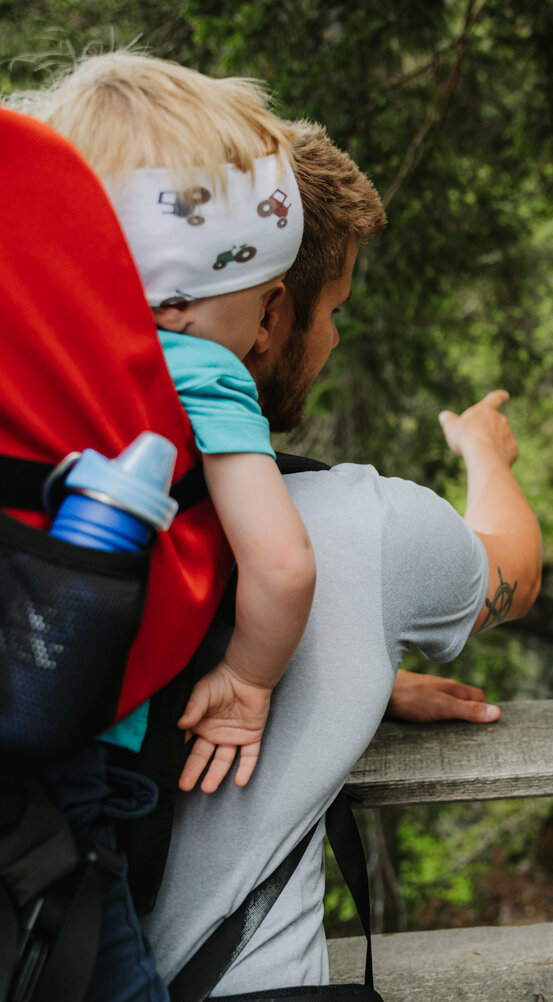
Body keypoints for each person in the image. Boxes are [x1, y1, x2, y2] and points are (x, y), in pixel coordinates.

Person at [141, 120, 542, 996]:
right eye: (333, 312)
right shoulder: (362, 521)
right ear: (270, 313)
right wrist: (483, 453)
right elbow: (517, 568)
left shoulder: (76, 492)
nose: (333, 342)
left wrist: (350, 678)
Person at [25, 51, 317, 793]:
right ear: (179, 305)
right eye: (262, 301)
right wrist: (249, 684)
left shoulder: (28, 356)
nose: (264, 327)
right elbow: (282, 566)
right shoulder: (196, 367)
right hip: (77, 727)